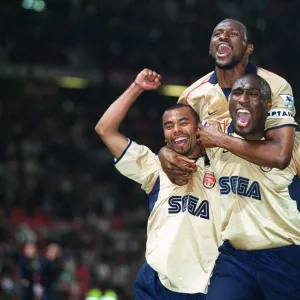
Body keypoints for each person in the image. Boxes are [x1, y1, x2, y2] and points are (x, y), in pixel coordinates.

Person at [95, 69, 221, 299]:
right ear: (164, 135)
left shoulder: (223, 168)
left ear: (198, 128)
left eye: (184, 122)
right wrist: (137, 87)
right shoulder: (154, 167)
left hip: (203, 286)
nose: (177, 130)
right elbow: (105, 129)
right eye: (169, 125)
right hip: (155, 284)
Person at [159, 18, 297, 186]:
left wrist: (220, 139)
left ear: (249, 48)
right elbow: (184, 147)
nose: (223, 36)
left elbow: (280, 155)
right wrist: (165, 152)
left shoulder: (275, 85)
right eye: (217, 34)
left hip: (273, 196)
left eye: (233, 34)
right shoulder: (191, 96)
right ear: (210, 48)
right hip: (224, 198)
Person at [201, 73, 300, 300]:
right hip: (235, 257)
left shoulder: (292, 146)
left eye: (252, 94)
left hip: (285, 255)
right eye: (237, 92)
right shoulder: (213, 139)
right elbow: (176, 149)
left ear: (267, 105)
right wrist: (166, 153)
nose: (243, 98)